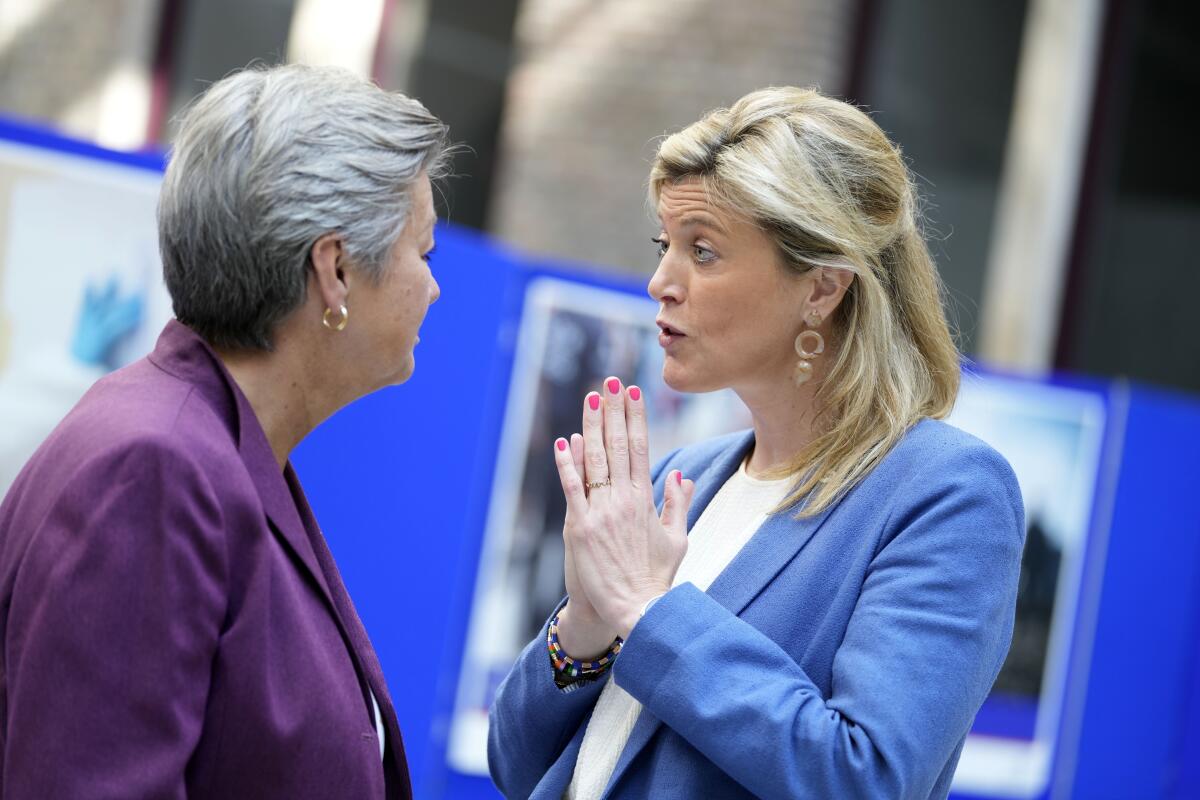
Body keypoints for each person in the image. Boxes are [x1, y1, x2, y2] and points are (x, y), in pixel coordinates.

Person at [488, 87, 1025, 800]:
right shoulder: (682, 480)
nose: (660, 283)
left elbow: (863, 777)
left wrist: (647, 615)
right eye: (666, 246)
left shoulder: (945, 494)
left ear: (823, 289)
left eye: (703, 251)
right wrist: (583, 628)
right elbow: (516, 765)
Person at [0, 64, 450, 799]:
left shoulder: (216, 450)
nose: (433, 285)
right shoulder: (154, 471)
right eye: (423, 252)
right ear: (334, 270)